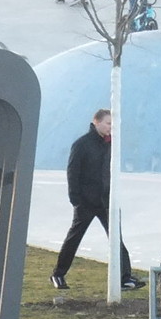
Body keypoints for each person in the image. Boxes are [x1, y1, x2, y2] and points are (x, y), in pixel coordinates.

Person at [51, 109, 138, 290]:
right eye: (108, 123)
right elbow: (72, 173)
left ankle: (125, 278)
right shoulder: (81, 144)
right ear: (96, 122)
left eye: (113, 125)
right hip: (86, 202)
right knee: (74, 238)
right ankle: (58, 275)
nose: (111, 128)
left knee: (116, 239)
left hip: (107, 202)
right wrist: (76, 199)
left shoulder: (111, 145)